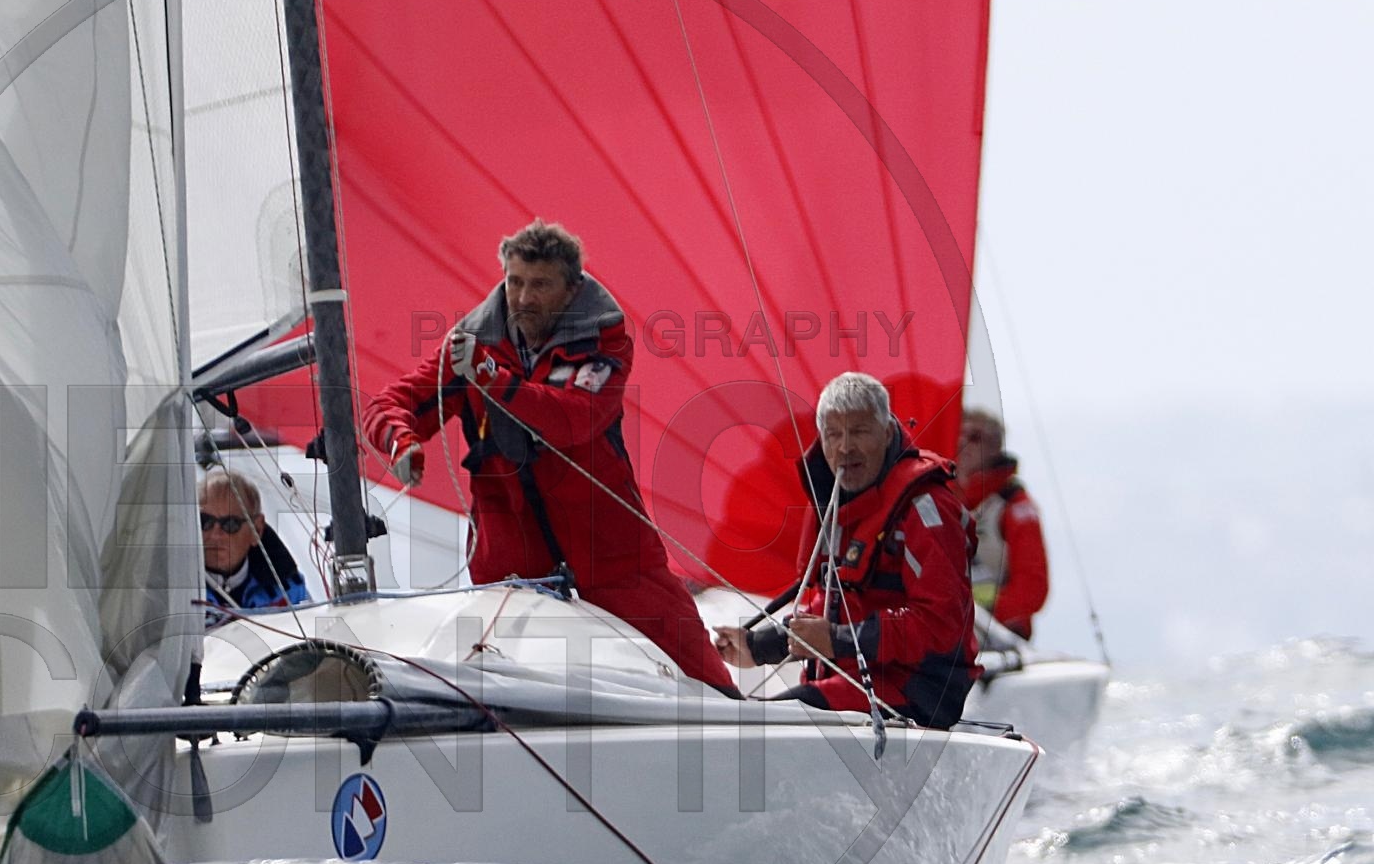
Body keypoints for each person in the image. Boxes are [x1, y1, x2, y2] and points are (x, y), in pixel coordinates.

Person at [361, 218, 731, 687]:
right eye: (514, 282)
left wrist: (492, 379)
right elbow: (388, 404)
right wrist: (400, 441)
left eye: (540, 285)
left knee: (708, 682)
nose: (523, 297)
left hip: (612, 557)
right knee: (494, 693)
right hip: (509, 571)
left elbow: (575, 419)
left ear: (571, 289)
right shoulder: (471, 345)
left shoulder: (603, 343)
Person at [712, 373, 979, 728]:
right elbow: (835, 607)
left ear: (887, 433)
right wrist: (759, 646)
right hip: (849, 686)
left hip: (916, 692)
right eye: (833, 434)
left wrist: (838, 640)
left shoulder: (925, 509)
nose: (845, 447)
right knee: (745, 718)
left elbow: (940, 625)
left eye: (860, 431)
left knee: (761, 724)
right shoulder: (837, 504)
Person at [957, 408, 1050, 639]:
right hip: (950, 634)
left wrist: (981, 618)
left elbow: (1032, 587)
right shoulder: (940, 501)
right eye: (957, 433)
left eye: (974, 437)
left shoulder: (1015, 507)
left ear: (995, 446)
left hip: (999, 636)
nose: (963, 443)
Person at [199, 468, 309, 625]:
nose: (215, 535)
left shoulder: (288, 588)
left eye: (230, 524)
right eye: (205, 522)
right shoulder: (172, 590)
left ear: (256, 530)